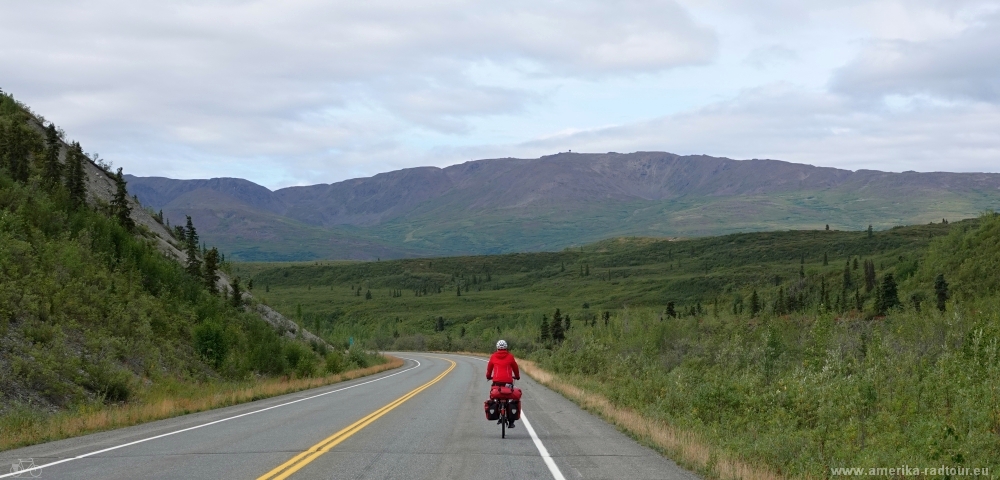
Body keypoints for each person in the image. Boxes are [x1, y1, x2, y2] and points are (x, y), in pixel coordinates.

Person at [486, 339, 520, 428]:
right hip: (508, 382)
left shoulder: (493, 356)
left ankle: (498, 412)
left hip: (496, 381)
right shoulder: (510, 356)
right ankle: (511, 421)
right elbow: (515, 368)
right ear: (506, 347)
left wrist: (488, 376)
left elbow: (489, 368)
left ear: (497, 347)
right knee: (510, 398)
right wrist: (517, 376)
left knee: (495, 397)